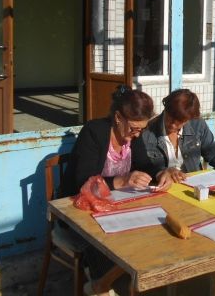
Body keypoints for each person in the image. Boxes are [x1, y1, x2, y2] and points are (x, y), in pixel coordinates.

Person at [59, 86, 164, 295]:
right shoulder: (94, 132)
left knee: (149, 234)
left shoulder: (133, 137)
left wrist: (162, 172)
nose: (137, 134)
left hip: (114, 209)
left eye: (141, 129)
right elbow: (83, 182)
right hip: (79, 210)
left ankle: (115, 281)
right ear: (118, 117)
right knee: (104, 242)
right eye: (134, 128)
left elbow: (146, 165)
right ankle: (101, 285)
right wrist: (122, 180)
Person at [132, 88, 215, 184]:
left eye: (180, 122)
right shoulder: (146, 131)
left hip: (194, 186)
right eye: (170, 118)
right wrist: (162, 172)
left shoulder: (197, 125)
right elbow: (141, 167)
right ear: (165, 109)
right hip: (162, 188)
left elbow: (212, 151)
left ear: (189, 119)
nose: (173, 125)